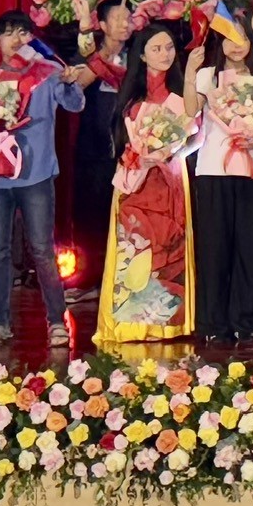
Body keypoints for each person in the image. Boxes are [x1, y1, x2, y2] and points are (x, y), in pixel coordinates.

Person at [0, 11, 90, 349]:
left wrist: (70, 81)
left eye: (23, 33)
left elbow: (75, 105)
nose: (16, 40)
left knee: (41, 249)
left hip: (36, 174)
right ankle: (0, 323)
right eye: (8, 34)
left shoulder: (47, 73)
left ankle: (56, 322)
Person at [94, 24, 196, 344]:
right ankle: (131, 324)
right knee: (135, 249)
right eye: (156, 48)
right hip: (135, 180)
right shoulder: (130, 93)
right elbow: (95, 62)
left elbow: (196, 132)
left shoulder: (181, 93)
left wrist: (171, 152)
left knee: (168, 248)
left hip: (168, 178)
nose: (165, 54)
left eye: (169, 47)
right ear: (141, 54)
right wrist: (140, 154)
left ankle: (166, 324)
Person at [190, 14, 253, 345]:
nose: (236, 45)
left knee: (250, 247)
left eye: (242, 38)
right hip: (213, 170)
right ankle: (213, 321)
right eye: (229, 38)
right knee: (215, 248)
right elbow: (190, 111)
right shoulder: (207, 75)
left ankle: (245, 319)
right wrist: (189, 72)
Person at [70, 0, 135, 266]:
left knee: (128, 215)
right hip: (94, 148)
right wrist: (99, 56)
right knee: (92, 213)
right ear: (104, 25)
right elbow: (75, 86)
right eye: (117, 19)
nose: (125, 24)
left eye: (128, 19)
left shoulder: (139, 55)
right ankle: (89, 273)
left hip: (130, 150)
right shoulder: (90, 54)